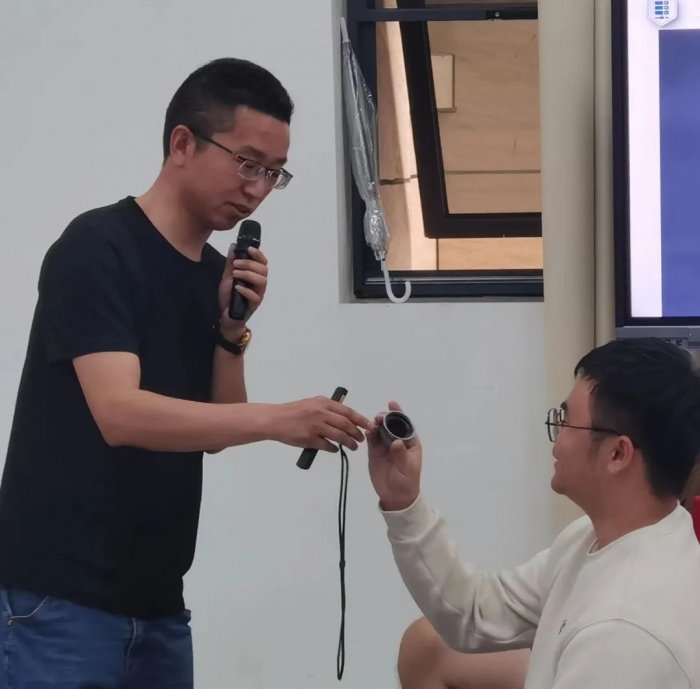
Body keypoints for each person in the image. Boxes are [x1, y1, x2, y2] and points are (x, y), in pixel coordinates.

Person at [0, 57, 371, 688]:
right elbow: (120, 414)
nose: (257, 188)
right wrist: (281, 419)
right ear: (181, 143)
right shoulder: (97, 248)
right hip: (58, 603)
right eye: (248, 162)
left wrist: (231, 334)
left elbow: (218, 427)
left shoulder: (213, 276)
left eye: (274, 173)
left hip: (160, 604)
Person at [368, 337, 700, 689]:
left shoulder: (622, 636)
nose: (556, 440)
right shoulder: (594, 538)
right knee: (423, 644)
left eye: (566, 421)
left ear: (618, 454)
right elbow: (476, 613)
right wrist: (403, 501)